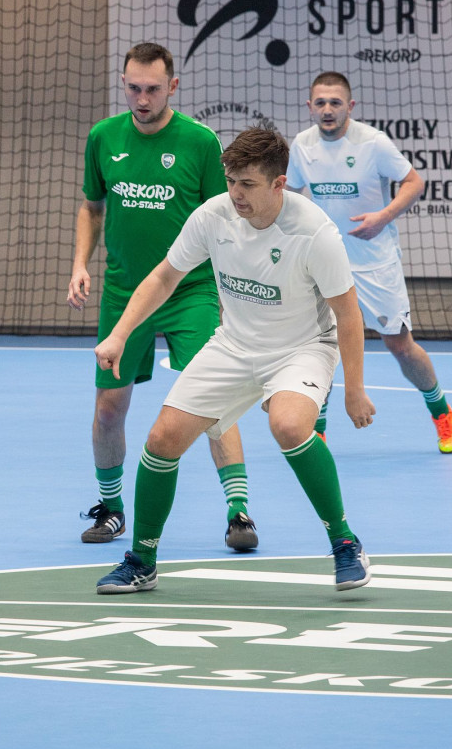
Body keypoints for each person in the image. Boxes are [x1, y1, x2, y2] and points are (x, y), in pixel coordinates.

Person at [93, 126, 376, 595]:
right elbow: (164, 277)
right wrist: (120, 335)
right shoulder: (213, 216)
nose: (235, 193)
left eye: (247, 184)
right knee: (162, 439)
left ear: (278, 184)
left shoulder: (314, 232)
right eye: (230, 181)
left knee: (289, 426)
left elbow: (348, 314)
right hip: (234, 344)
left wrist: (355, 389)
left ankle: (345, 542)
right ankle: (142, 560)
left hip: (302, 348)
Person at [68, 43, 257, 551]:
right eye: (133, 88)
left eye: (152, 89)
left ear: (172, 86)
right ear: (123, 84)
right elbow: (92, 207)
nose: (142, 98)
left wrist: (233, 292)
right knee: (109, 407)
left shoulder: (199, 142)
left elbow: (226, 220)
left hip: (190, 291)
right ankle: (111, 507)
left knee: (214, 400)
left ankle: (239, 512)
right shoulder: (103, 137)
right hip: (124, 292)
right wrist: (80, 264)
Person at [287, 72, 452, 454]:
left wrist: (383, 217)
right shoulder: (302, 145)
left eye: (335, 103)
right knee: (319, 347)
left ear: (350, 106)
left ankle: (442, 412)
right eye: (321, 103)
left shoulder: (374, 142)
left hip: (374, 263)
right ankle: (318, 432)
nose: (328, 109)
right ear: (310, 106)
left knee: (400, 346)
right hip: (325, 263)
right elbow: (290, 194)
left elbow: (414, 183)